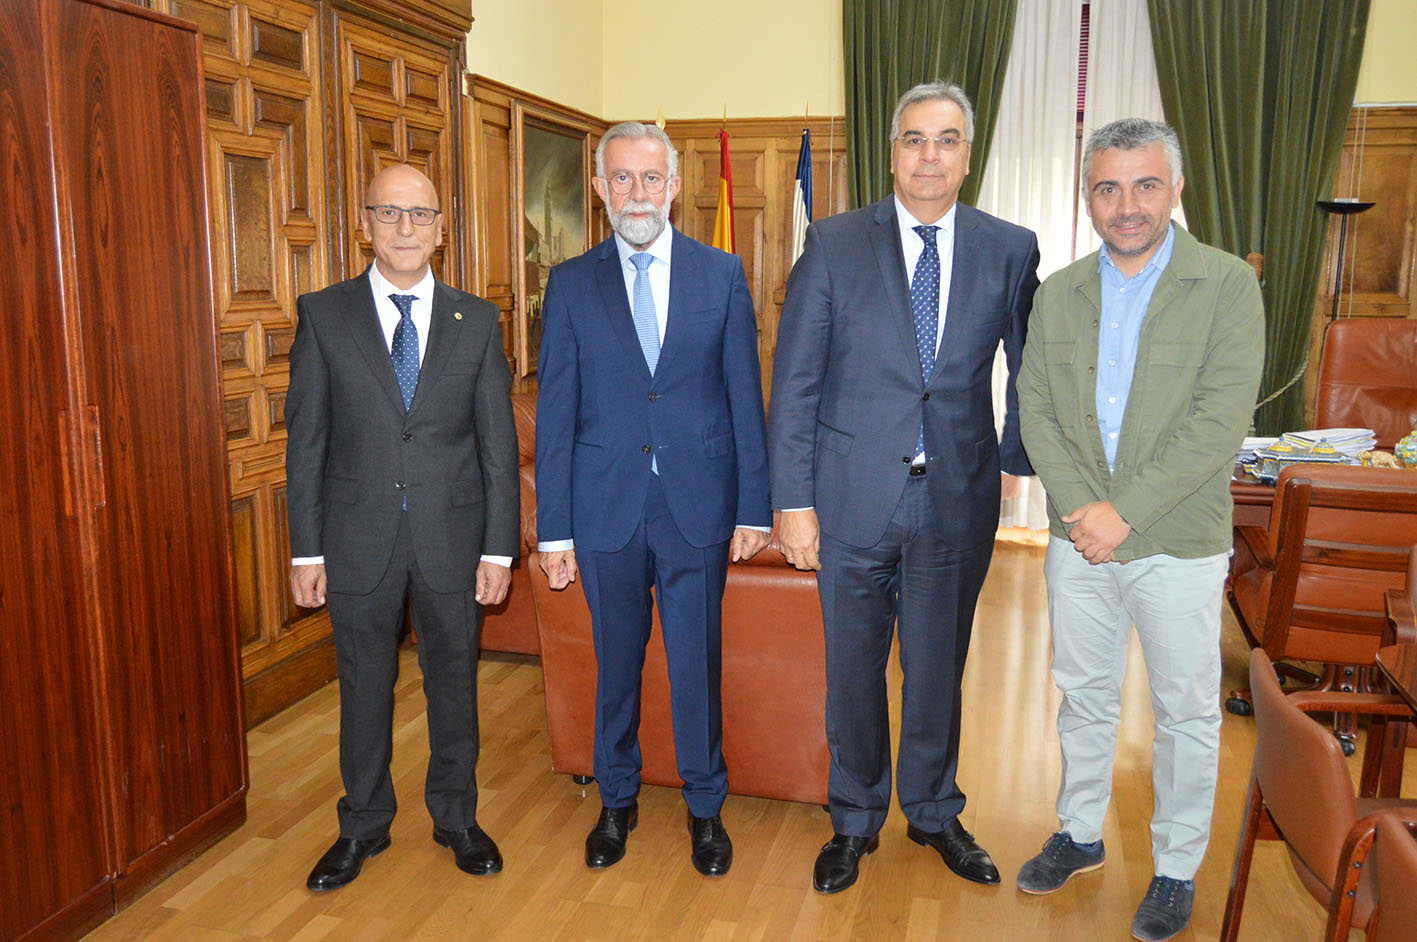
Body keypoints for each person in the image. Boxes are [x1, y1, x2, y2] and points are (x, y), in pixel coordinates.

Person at [769, 81, 1040, 894]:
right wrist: (792, 502)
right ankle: (852, 818)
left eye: (946, 139)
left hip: (956, 496)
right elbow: (794, 385)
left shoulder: (1010, 247)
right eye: (914, 139)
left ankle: (932, 810)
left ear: (967, 153)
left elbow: (1031, 369)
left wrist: (1022, 465)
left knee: (936, 668)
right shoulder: (833, 241)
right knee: (852, 671)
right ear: (891, 153)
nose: (929, 155)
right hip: (848, 498)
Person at [1016, 118, 1264, 941]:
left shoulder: (1226, 285)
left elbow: (1217, 422)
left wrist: (1122, 514)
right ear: (1087, 196)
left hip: (1178, 541)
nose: (1126, 205)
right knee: (1081, 695)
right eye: (1107, 187)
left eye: (1144, 184)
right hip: (1077, 539)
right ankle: (1079, 832)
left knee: (1185, 711)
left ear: (1176, 188)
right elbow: (1036, 409)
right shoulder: (1061, 291)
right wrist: (1088, 512)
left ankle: (1174, 868)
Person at [535, 122, 771, 877]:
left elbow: (744, 399)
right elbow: (557, 413)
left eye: (650, 178)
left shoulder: (721, 274)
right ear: (601, 190)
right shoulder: (571, 284)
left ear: (673, 186)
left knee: (695, 662)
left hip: (697, 505)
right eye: (621, 179)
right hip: (604, 506)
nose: (636, 193)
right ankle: (615, 799)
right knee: (614, 662)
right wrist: (553, 531)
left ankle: (705, 806)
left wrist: (753, 509)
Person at [285, 163, 519, 890]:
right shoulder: (324, 315)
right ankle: (362, 824)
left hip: (454, 538)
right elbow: (308, 443)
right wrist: (306, 549)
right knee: (363, 685)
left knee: (454, 683)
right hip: (357, 539)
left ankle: (456, 816)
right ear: (365, 224)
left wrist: (499, 548)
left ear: (442, 230)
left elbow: (496, 448)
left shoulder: (475, 321)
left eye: (419, 215)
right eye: (388, 213)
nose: (405, 229)